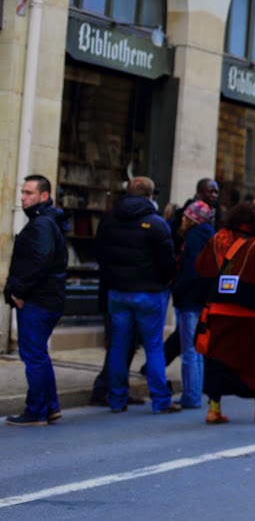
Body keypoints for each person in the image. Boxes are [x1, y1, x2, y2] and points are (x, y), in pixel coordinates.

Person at [195, 201, 255, 423]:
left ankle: (214, 409)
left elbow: (200, 269)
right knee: (254, 362)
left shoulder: (217, 240)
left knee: (216, 360)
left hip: (217, 312)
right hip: (247, 316)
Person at [95, 176, 177, 415]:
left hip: (118, 291)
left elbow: (99, 252)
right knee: (153, 346)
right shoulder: (156, 223)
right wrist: (162, 282)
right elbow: (168, 262)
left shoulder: (110, 219)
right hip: (149, 293)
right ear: (151, 195)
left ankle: (117, 398)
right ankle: (160, 399)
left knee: (119, 346)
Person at [4, 175, 69, 426]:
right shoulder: (45, 222)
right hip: (45, 298)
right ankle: (50, 406)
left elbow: (39, 261)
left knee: (33, 355)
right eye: (22, 192)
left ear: (44, 196)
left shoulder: (42, 224)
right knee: (38, 354)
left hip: (39, 300)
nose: (23, 197)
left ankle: (37, 410)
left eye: (29, 193)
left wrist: (19, 290)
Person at [171, 200, 216, 410]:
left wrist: (177, 288)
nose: (182, 218)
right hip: (202, 299)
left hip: (191, 300)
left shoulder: (195, 238)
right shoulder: (209, 236)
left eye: (186, 216)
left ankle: (191, 395)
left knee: (190, 351)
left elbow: (192, 270)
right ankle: (195, 392)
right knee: (197, 349)